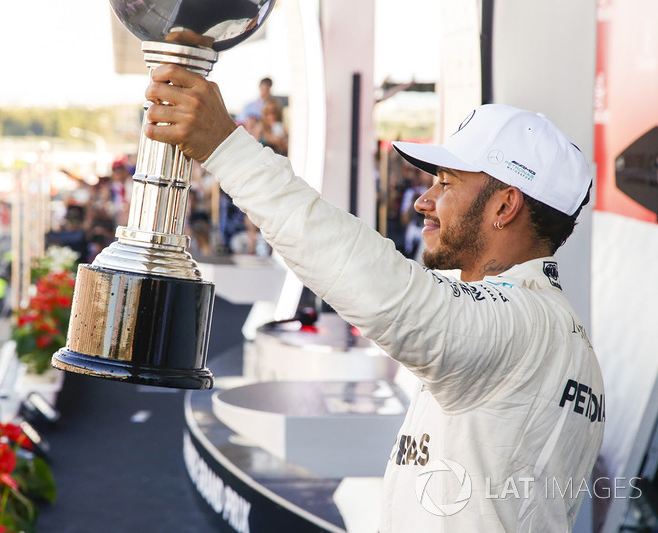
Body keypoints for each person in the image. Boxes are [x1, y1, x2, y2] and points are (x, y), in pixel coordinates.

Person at [142, 65, 604, 532]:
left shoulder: (524, 323)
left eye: (446, 182)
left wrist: (228, 149)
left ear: (505, 206)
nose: (423, 201)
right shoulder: (553, 329)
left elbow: (384, 289)